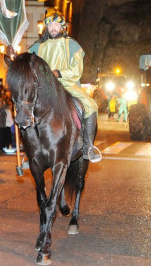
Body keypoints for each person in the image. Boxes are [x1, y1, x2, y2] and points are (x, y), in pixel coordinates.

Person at [25, 10, 102, 162]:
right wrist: (14, 55)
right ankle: (30, 152)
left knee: (91, 105)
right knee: (26, 106)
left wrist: (59, 73)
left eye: (56, 25)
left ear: (62, 28)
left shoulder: (72, 45)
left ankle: (88, 147)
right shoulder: (37, 47)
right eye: (50, 25)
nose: (53, 28)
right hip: (44, 86)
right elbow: (26, 65)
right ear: (46, 28)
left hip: (67, 84)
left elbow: (77, 69)